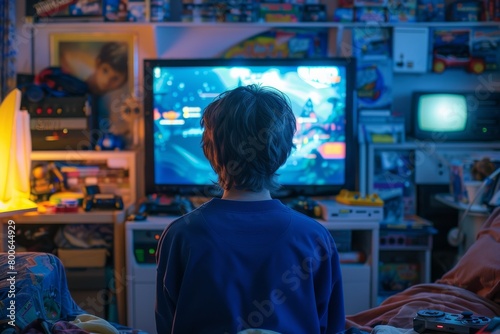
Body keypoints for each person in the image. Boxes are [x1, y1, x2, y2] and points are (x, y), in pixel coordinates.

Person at [155, 84, 345, 334]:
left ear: (208, 150)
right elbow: (332, 327)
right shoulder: (315, 238)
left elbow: (166, 325)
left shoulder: (180, 235)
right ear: (285, 151)